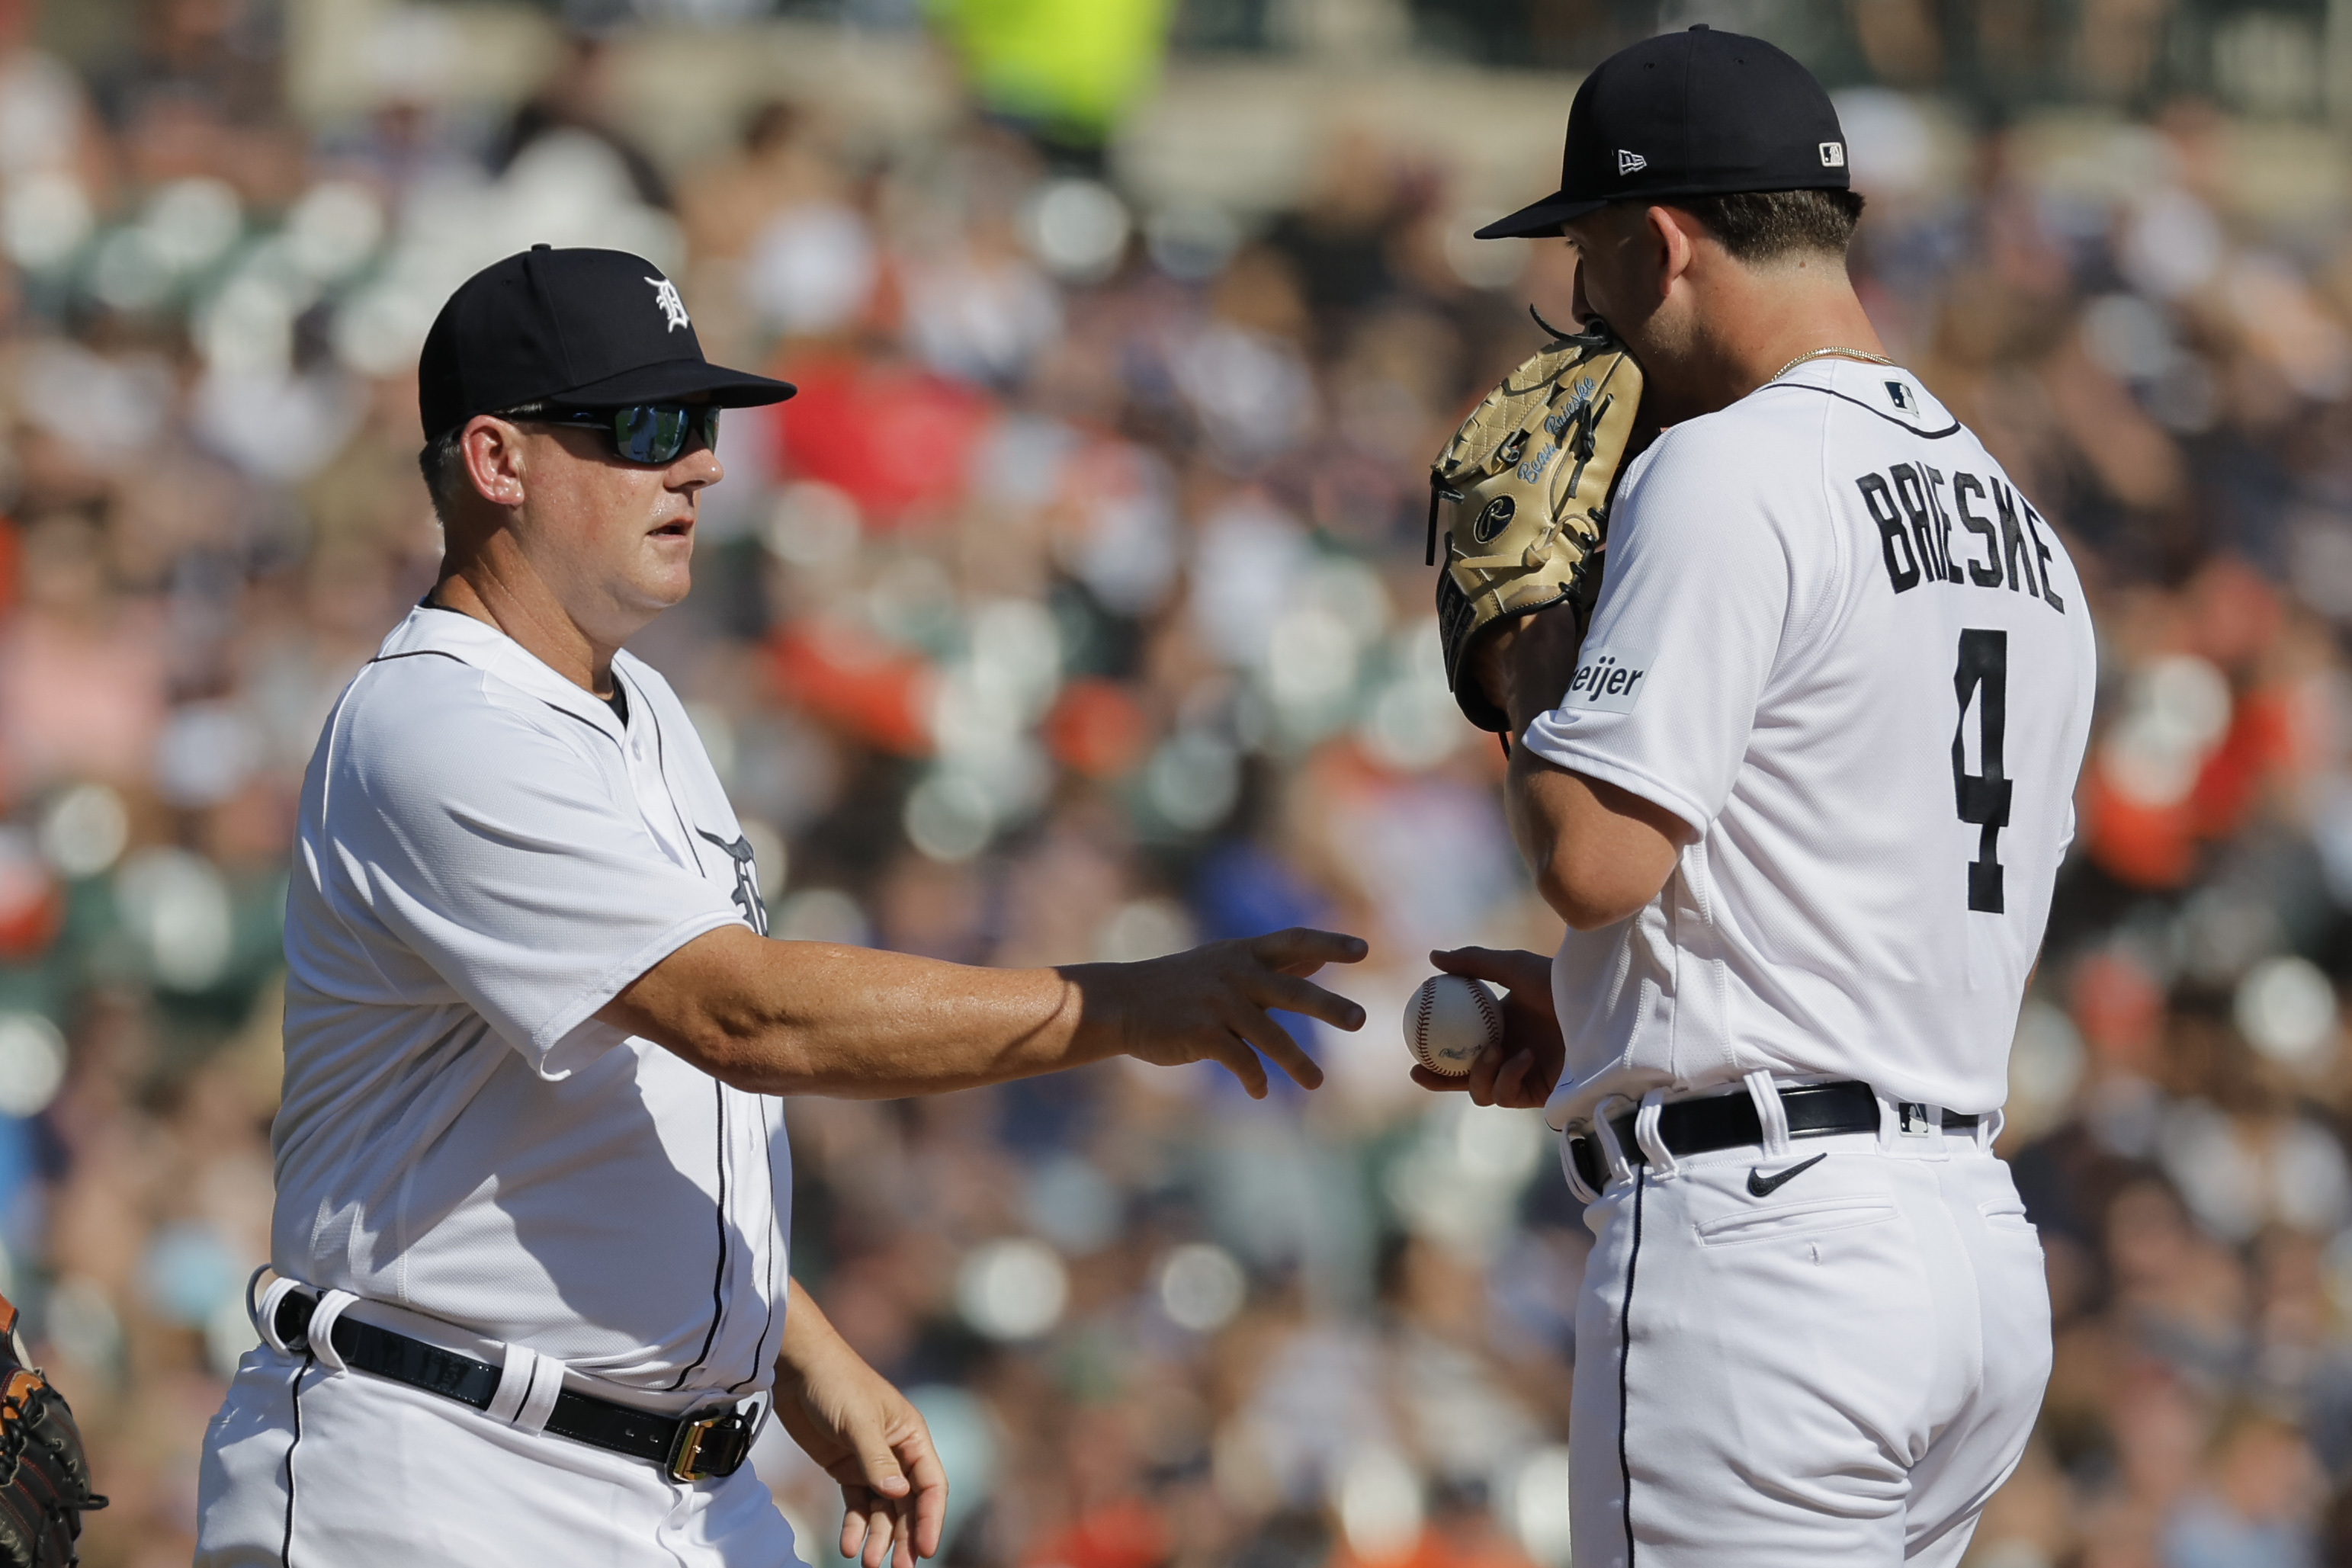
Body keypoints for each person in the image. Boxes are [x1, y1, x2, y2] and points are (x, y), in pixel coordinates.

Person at [194, 245, 1369, 1566]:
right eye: (643, 427)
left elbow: (629, 1114)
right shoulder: (436, 723)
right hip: (437, 1468)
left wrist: (793, 1351)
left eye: (697, 427)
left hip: (679, 1480)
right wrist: (1108, 1002)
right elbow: (737, 1018)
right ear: (496, 460)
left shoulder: (642, 708)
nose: (697, 465)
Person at [1417, 28, 2096, 1567]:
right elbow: (1888, 910)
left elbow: (1592, 859)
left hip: (1765, 1261)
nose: (1579, 315)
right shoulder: (2020, 527)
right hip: (1967, 1256)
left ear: (1660, 242)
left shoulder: (1729, 468)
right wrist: (1610, 1015)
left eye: (1586, 255)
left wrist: (1523, 640)